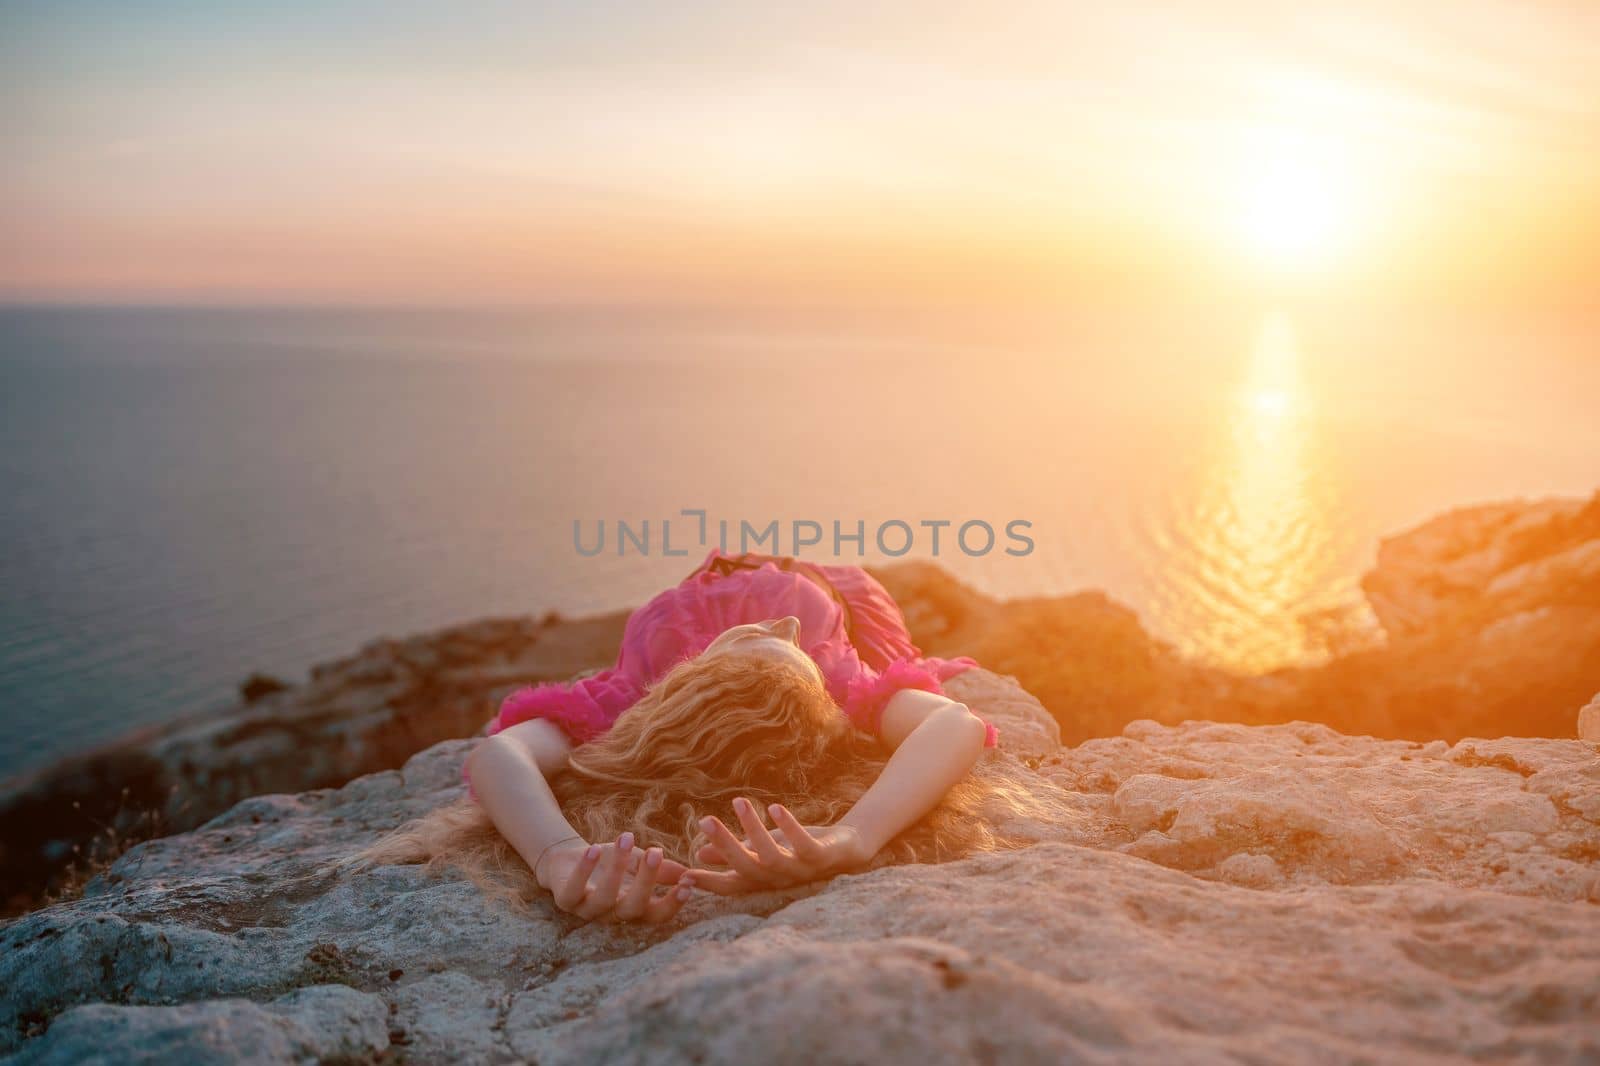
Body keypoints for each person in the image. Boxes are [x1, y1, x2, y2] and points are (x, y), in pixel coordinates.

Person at [363, 548, 1054, 925]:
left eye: (778, 639)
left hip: (820, 584)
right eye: (775, 643)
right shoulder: (837, 681)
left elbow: (500, 752)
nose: (785, 629)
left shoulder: (636, 691)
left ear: (687, 682)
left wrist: (558, 857)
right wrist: (856, 833)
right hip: (834, 586)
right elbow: (952, 725)